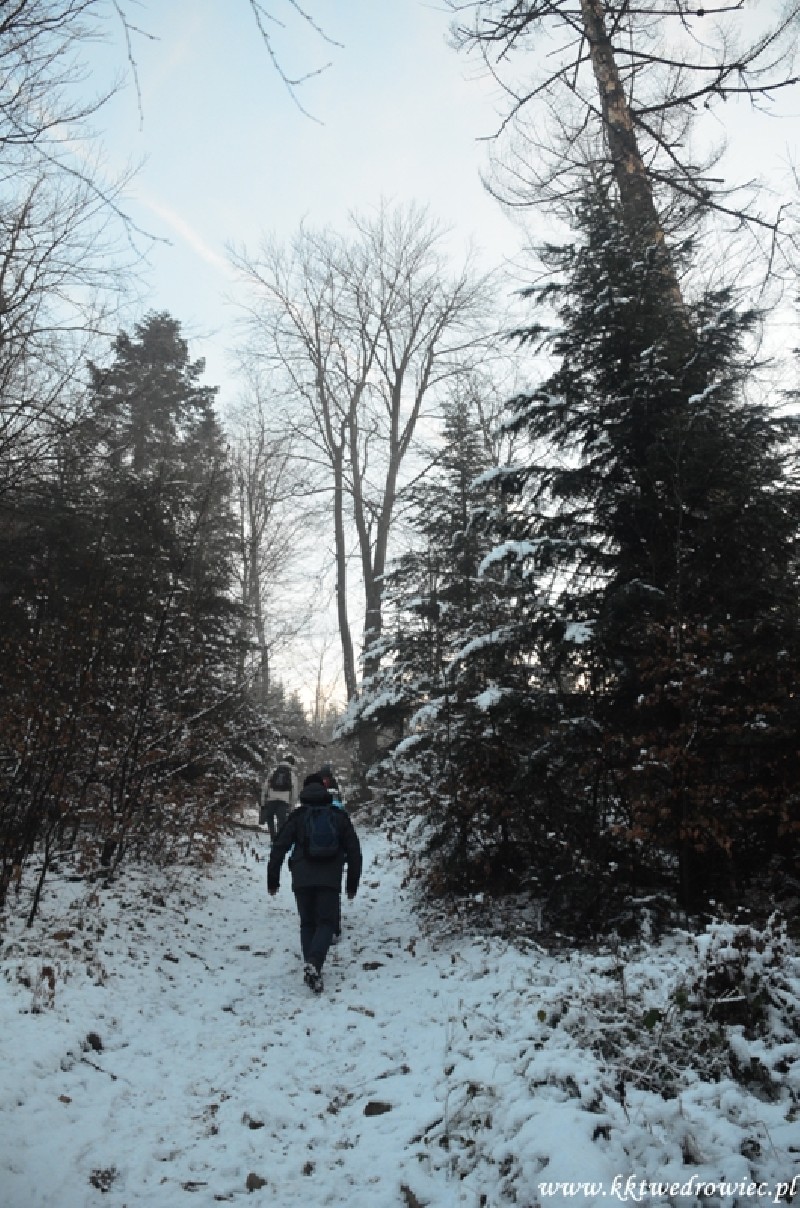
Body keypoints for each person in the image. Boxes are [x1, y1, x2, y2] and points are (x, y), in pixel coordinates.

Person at [267, 773, 362, 994]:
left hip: (302, 877)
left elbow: (279, 847)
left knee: (307, 923)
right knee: (326, 923)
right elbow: (354, 852)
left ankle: (311, 965)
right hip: (330, 877)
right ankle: (314, 964)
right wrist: (352, 884)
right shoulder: (338, 816)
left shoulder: (297, 816)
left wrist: (273, 879)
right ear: (325, 790)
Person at [260, 753, 298, 841]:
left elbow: (265, 787)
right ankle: (279, 839)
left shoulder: (274, 771)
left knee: (270, 818)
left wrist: (263, 801)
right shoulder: (292, 775)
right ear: (292, 764)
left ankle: (273, 837)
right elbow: (294, 792)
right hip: (284, 801)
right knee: (281, 821)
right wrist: (292, 806)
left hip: (271, 799)